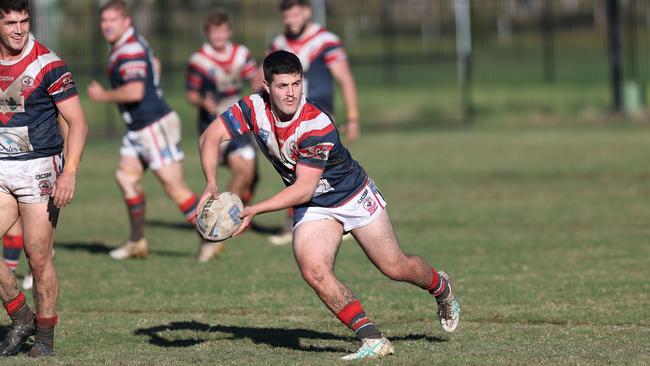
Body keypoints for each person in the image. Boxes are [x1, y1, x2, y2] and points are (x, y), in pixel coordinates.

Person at [198, 51, 461, 360]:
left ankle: (440, 286)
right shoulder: (253, 108)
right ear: (266, 86)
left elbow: (302, 188)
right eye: (283, 86)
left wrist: (252, 210)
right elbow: (210, 136)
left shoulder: (315, 123)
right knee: (314, 270)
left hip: (352, 196)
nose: (292, 93)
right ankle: (373, 338)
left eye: (296, 84)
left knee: (394, 266)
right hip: (316, 206)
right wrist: (212, 185)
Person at [87, 0, 210, 261]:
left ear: (126, 22)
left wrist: (102, 95)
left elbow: (135, 91)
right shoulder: (132, 43)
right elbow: (154, 63)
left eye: (113, 20)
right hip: (138, 128)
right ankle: (137, 241)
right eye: (104, 20)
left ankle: (210, 235)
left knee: (175, 188)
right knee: (126, 178)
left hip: (152, 125)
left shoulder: (128, 49)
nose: (107, 26)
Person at [0, 0, 88, 357]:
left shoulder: (48, 64)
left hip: (38, 169)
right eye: (10, 23)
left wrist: (69, 172)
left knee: (37, 259)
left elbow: (78, 122)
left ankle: (45, 339)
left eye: (24, 21)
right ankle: (20, 315)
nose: (19, 29)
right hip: (1, 168)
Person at [267, 0, 361, 245]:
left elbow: (344, 78)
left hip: (318, 117)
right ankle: (313, 219)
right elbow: (263, 81)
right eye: (287, 16)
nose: (291, 20)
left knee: (316, 171)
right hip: (286, 118)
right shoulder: (278, 45)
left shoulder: (325, 40)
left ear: (307, 12)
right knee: (293, 169)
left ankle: (333, 215)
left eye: (296, 14)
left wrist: (353, 117)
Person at [185, 10, 261, 260]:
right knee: (234, 174)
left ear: (228, 32)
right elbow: (191, 93)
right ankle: (211, 228)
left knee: (247, 172)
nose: (219, 35)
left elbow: (255, 80)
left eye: (223, 30)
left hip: (238, 122)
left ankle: (221, 221)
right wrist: (202, 103)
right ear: (208, 34)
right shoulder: (200, 60)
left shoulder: (241, 54)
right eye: (214, 31)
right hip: (213, 127)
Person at [3, 116, 67, 290]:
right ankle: (11, 276)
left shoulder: (40, 92)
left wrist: (68, 169)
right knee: (13, 227)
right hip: (7, 158)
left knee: (37, 245)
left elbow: (70, 121)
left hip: (37, 161)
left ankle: (36, 264)